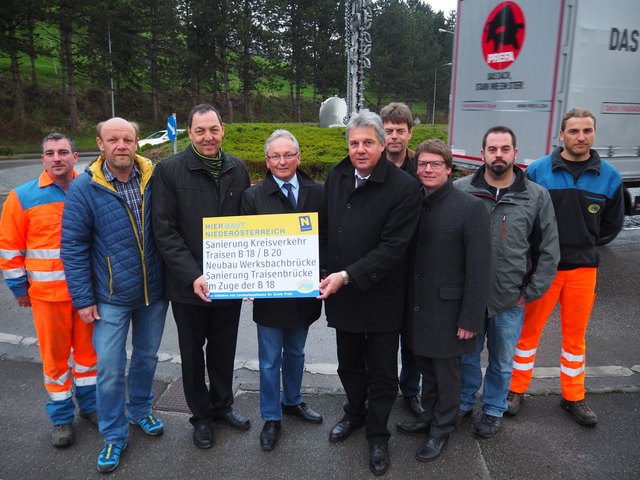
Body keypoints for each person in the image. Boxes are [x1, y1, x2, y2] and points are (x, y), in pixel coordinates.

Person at [61, 118, 168, 473]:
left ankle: (141, 410)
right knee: (108, 369)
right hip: (109, 296)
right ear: (100, 144)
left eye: (127, 139)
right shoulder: (85, 188)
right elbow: (73, 247)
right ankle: (113, 434)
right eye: (113, 139)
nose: (121, 145)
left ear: (137, 142)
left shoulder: (154, 178)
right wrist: (83, 298)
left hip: (153, 291)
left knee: (147, 358)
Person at [318, 109, 421, 476]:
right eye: (353, 143)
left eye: (367, 143)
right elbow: (326, 227)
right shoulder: (338, 173)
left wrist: (346, 275)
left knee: (381, 370)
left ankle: (378, 434)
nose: (359, 150)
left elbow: (393, 248)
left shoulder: (404, 187)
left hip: (381, 293)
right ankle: (355, 413)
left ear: (382, 143)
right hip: (342, 292)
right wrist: (323, 269)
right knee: (348, 363)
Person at [507, 108, 624, 425]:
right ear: (561, 135)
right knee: (527, 334)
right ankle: (515, 391)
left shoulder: (610, 177)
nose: (581, 136)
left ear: (594, 134)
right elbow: (524, 218)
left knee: (575, 339)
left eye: (587, 130)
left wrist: (583, 240)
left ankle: (573, 397)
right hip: (543, 270)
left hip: (583, 270)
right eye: (574, 131)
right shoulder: (538, 171)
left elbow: (612, 225)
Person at [152, 104, 251, 450]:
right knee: (192, 353)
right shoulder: (169, 170)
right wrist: (193, 274)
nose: (208, 137)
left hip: (229, 281)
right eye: (200, 131)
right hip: (187, 283)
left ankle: (222, 406)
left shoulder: (237, 168)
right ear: (189, 133)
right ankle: (201, 417)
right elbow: (164, 230)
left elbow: (248, 226)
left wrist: (252, 274)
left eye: (213, 129)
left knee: (224, 347)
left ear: (223, 129)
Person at [455, 126, 559, 438]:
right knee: (466, 358)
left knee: (501, 363)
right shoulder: (461, 191)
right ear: (482, 153)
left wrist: (529, 293)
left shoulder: (536, 196)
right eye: (492, 149)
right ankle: (462, 403)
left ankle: (493, 409)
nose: (498, 155)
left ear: (515, 153)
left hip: (509, 301)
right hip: (469, 299)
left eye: (504, 149)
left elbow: (549, 250)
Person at [0, 133, 97, 448]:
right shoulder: (22, 197)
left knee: (88, 357)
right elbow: (10, 248)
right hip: (47, 297)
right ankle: (61, 419)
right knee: (55, 361)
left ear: (74, 156)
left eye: (63, 152)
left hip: (88, 295)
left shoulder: (91, 189)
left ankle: (91, 408)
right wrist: (18, 288)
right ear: (43, 159)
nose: (57, 158)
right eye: (50, 153)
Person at [396, 139, 490, 462]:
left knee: (448, 376)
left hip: (450, 312)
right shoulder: (413, 202)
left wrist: (470, 318)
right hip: (417, 307)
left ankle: (442, 429)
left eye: (435, 164)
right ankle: (428, 417)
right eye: (422, 164)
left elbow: (479, 268)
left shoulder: (470, 207)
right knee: (426, 369)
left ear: (449, 169)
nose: (428, 169)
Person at [240, 129, 324, 452]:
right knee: (269, 359)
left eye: (288, 155)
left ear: (298, 157)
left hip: (305, 292)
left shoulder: (318, 192)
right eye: (275, 156)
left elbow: (326, 237)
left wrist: (326, 273)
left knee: (297, 352)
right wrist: (244, 279)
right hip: (271, 296)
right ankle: (271, 416)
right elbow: (245, 246)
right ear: (267, 161)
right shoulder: (253, 196)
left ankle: (293, 400)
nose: (282, 161)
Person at [380, 102, 422, 417]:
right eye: (389, 130)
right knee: (378, 340)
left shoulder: (422, 169)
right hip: (378, 268)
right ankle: (376, 391)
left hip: (414, 267)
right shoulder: (367, 165)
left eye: (400, 130)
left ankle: (410, 391)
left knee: (412, 338)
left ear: (410, 133)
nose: (394, 136)